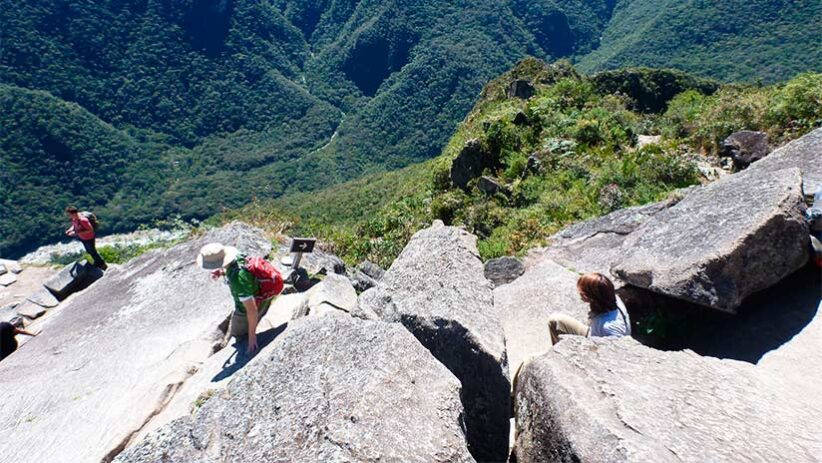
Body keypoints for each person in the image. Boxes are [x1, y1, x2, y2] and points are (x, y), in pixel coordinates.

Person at [198, 243, 282, 354]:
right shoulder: (237, 256)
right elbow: (240, 268)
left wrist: (252, 337)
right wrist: (222, 272)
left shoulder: (238, 281)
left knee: (238, 334)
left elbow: (251, 310)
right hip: (260, 294)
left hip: (246, 309)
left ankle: (244, 337)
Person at [547, 272, 631, 345]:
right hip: (594, 334)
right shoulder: (612, 298)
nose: (580, 295)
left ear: (589, 297)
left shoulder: (610, 328)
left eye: (581, 293)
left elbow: (615, 352)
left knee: (554, 321)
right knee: (556, 321)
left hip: (595, 347)